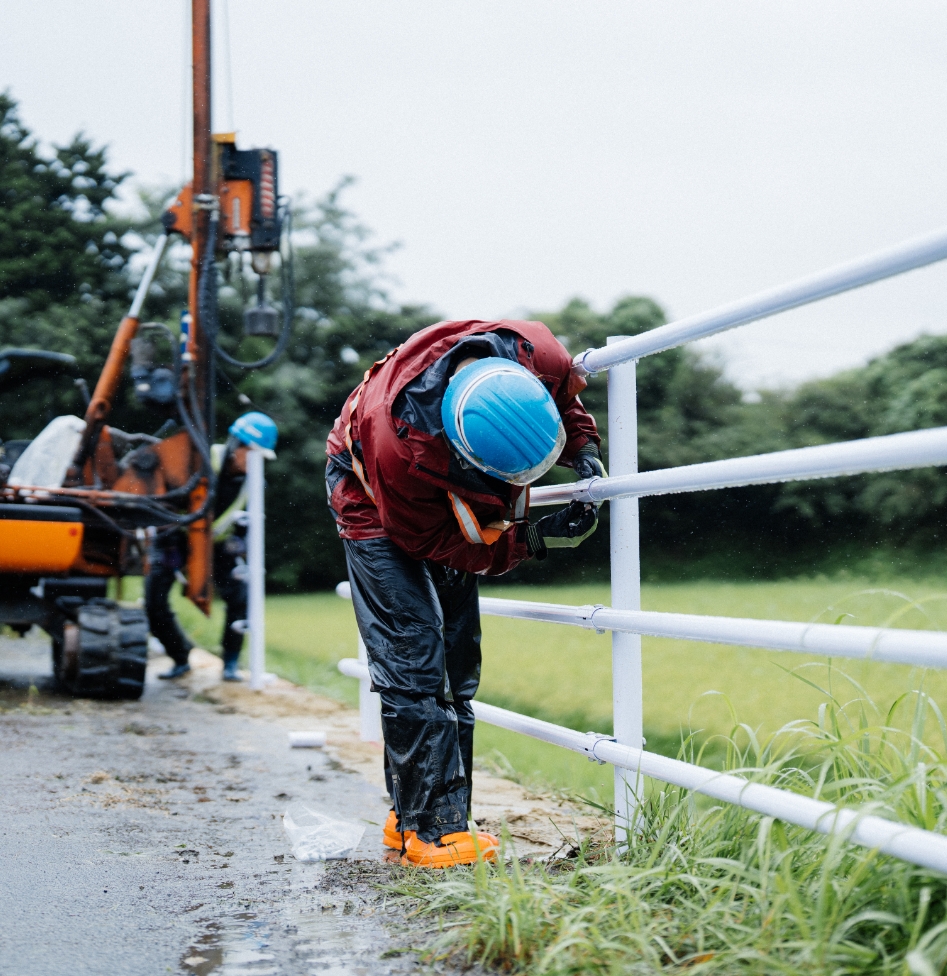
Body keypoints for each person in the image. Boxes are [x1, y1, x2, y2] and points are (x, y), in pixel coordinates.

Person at [325, 320, 605, 868]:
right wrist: (535, 535)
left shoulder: (537, 354)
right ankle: (431, 833)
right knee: (413, 660)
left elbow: (563, 397)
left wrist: (583, 445)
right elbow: (441, 542)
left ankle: (420, 813)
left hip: (444, 467)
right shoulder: (401, 456)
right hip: (368, 489)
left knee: (458, 658)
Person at [148, 411, 277, 682]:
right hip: (175, 539)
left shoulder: (254, 484)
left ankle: (230, 664)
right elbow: (167, 501)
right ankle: (180, 655)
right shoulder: (201, 461)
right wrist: (170, 536)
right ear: (236, 446)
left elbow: (247, 527)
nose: (253, 463)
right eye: (251, 454)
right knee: (154, 599)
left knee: (241, 597)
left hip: (219, 546)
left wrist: (237, 545)